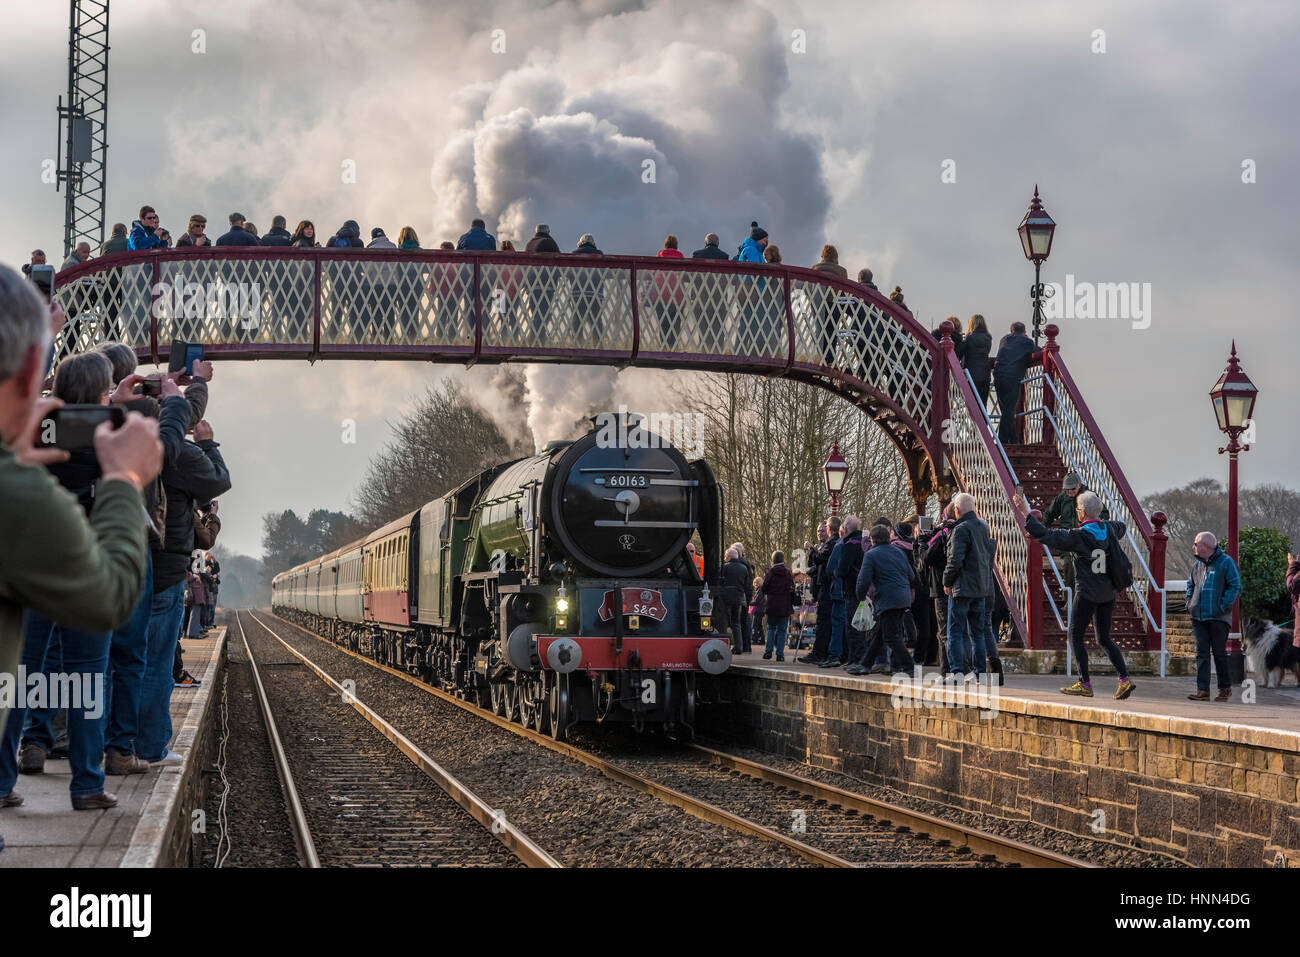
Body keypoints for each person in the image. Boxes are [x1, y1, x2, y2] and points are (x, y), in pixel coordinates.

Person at [0, 271, 163, 826]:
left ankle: (4, 777)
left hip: (29, 578)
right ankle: (87, 783)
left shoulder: (34, 427)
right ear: (102, 394)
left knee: (20, 674)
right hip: (83, 565)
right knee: (88, 678)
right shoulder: (109, 435)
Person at [137, 405, 231, 764]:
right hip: (166, 574)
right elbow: (217, 480)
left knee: (121, 661)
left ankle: (113, 743)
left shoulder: (116, 444)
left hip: (123, 571)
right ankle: (149, 745)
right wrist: (207, 444)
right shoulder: (179, 457)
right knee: (157, 662)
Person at [1015, 490, 1135, 699]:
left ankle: (1085, 683)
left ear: (1082, 513)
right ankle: (1124, 679)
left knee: (1075, 635)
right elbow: (1122, 527)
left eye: (1079, 510)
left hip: (1087, 592)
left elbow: (1048, 535)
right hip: (1108, 592)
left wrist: (1025, 511)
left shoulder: (1078, 536)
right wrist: (1105, 524)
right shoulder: (1110, 529)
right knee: (1104, 638)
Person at [851, 525, 918, 676]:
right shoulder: (899, 552)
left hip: (888, 599)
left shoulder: (871, 555)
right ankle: (865, 664)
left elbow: (863, 581)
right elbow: (912, 576)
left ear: (872, 540)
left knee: (890, 636)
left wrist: (861, 597)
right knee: (880, 634)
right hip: (903, 598)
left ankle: (909, 666)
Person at [941, 493, 994, 678]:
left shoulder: (960, 529)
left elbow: (955, 559)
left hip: (961, 588)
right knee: (977, 632)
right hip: (980, 587)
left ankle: (956, 671)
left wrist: (947, 581)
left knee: (955, 631)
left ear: (957, 510)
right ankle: (980, 672)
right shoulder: (983, 527)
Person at [1185, 531, 1241, 702]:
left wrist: (1222, 606)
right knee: (1201, 653)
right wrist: (1189, 603)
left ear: (1206, 546)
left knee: (1219, 653)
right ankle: (1203, 690)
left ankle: (1225, 688)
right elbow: (1190, 585)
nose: (1194, 546)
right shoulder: (1197, 565)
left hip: (1218, 617)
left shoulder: (1226, 562)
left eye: (1196, 543)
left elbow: (1235, 585)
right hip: (1198, 616)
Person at [821, 516, 864, 669]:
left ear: (844, 530)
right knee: (859, 625)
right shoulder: (864, 543)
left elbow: (836, 569)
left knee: (843, 624)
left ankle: (838, 655)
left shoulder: (844, 545)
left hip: (844, 590)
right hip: (862, 589)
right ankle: (853, 656)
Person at [992, 321, 1039, 447]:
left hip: (997, 374)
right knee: (1009, 409)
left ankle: (1013, 439)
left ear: (1011, 330)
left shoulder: (1004, 339)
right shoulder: (1027, 342)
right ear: (1024, 332)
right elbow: (1036, 351)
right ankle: (1002, 440)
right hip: (1012, 377)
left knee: (1005, 409)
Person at [801, 519, 839, 664]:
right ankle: (819, 651)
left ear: (828, 530)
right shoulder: (821, 546)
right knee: (822, 620)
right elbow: (815, 563)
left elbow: (821, 559)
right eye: (818, 531)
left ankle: (820, 653)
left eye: (823, 530)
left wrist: (812, 549)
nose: (820, 533)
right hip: (819, 585)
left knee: (824, 621)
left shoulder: (830, 545)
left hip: (827, 587)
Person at [811, 245, 848, 366]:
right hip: (834, 302)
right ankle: (830, 358)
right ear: (835, 257)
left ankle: (818, 355)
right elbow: (844, 291)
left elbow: (809, 287)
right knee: (832, 330)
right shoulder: (842, 271)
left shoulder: (815, 268)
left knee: (819, 328)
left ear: (823, 256)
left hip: (818, 302)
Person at [760, 552, 795, 661]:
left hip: (772, 604)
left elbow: (764, 588)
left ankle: (768, 652)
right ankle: (780, 654)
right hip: (785, 605)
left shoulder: (770, 573)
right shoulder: (788, 573)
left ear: (773, 559)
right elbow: (792, 588)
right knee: (782, 630)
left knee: (771, 628)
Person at [653, 235, 686, 349]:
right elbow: (685, 272)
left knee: (664, 324)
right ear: (676, 245)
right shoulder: (680, 256)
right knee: (676, 323)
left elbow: (653, 272)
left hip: (661, 295)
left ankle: (664, 347)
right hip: (677, 295)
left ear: (665, 244)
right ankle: (674, 347)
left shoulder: (659, 256)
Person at [721, 548, 751, 655]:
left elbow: (720, 581)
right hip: (738, 598)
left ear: (728, 557)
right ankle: (738, 647)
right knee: (736, 623)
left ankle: (724, 646)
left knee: (723, 622)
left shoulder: (724, 567)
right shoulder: (744, 568)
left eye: (725, 556)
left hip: (726, 598)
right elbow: (747, 585)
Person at [962, 314, 993, 407]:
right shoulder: (988, 338)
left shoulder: (969, 338)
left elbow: (964, 352)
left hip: (972, 375)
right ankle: (984, 421)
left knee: (973, 405)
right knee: (983, 404)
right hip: (985, 374)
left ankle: (975, 421)